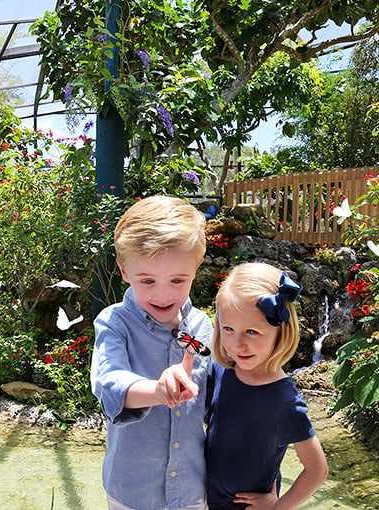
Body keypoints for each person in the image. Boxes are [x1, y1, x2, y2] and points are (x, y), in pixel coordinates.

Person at [91, 195, 213, 510]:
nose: (162, 293)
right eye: (147, 280)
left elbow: (219, 399)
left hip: (191, 489)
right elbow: (110, 383)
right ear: (123, 270)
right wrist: (158, 391)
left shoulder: (201, 326)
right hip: (133, 493)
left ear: (196, 268)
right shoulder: (115, 324)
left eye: (177, 280)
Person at [206, 262, 328, 510]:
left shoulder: (283, 399)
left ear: (281, 332)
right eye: (228, 329)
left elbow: (317, 470)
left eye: (251, 331)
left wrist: (278, 507)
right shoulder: (221, 369)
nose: (237, 344)